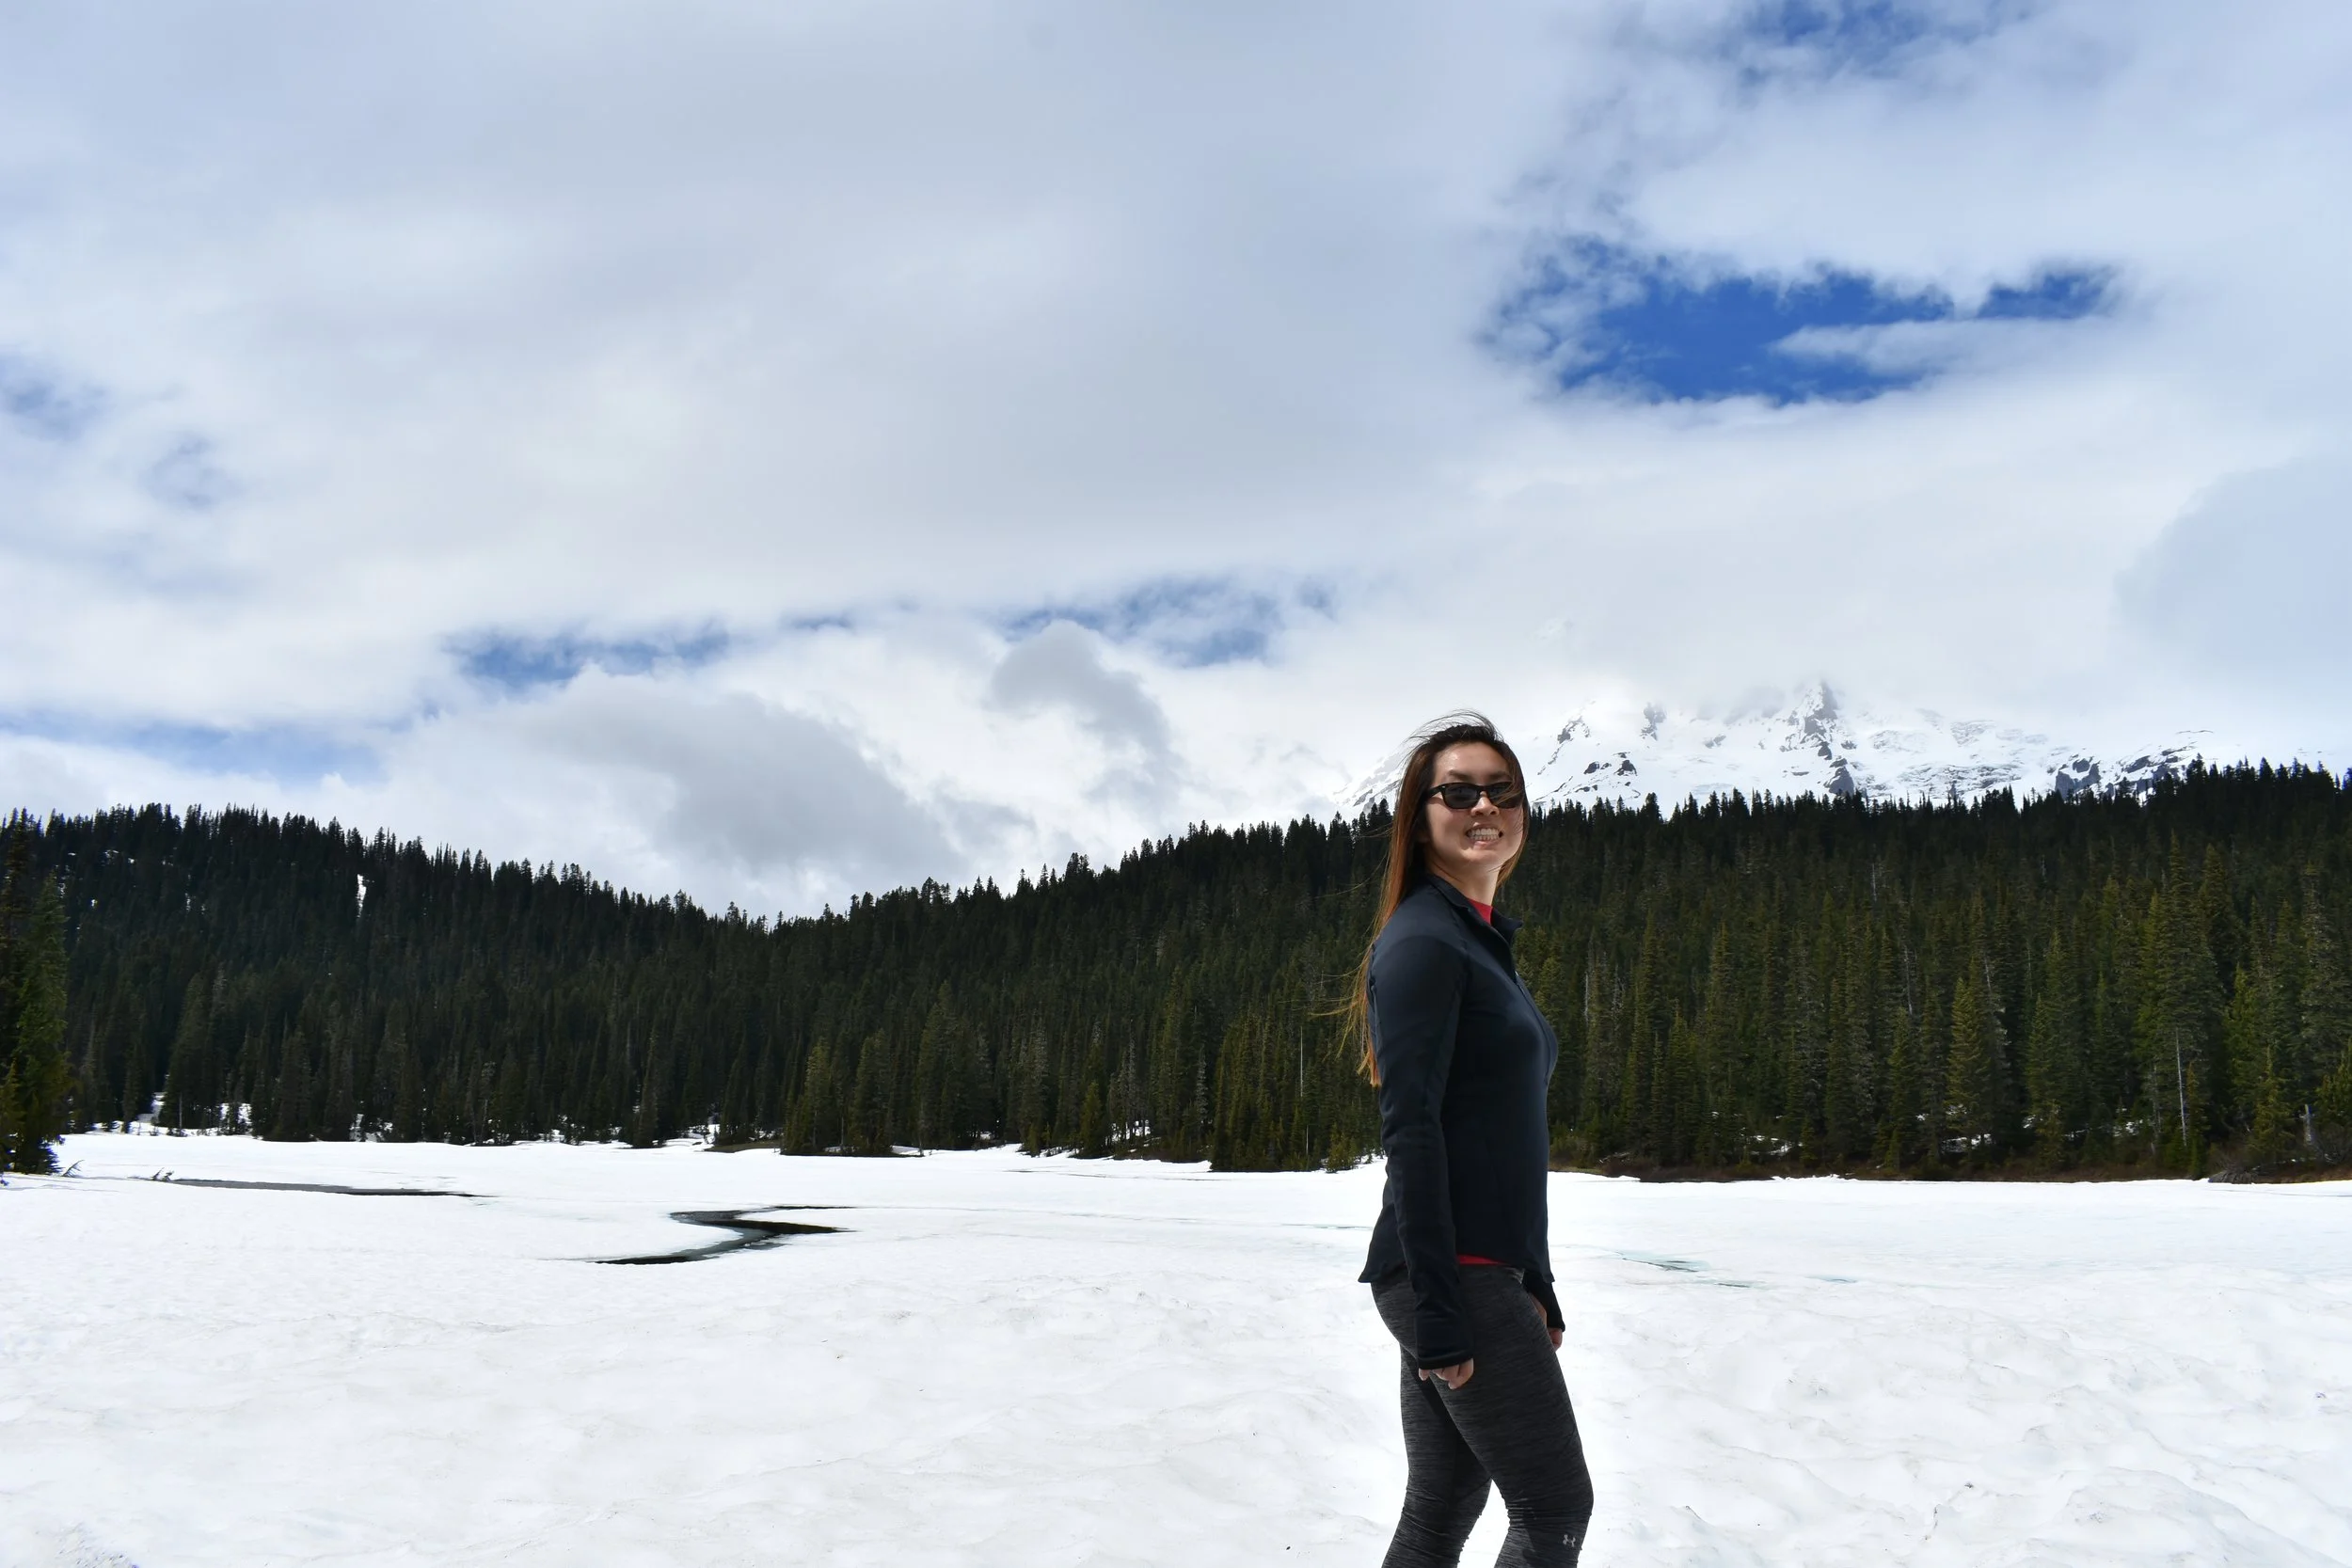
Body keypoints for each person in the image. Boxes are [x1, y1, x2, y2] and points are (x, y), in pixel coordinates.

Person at [1354, 714, 1594, 1567]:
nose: (1484, 805)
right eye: (1458, 792)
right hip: (1452, 1270)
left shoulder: (1476, 937)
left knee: (1443, 1502)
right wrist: (1442, 1306)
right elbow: (1411, 1131)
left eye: (1502, 791)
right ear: (1420, 818)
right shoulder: (1425, 939)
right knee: (1554, 1507)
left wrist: (1538, 1278)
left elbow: (1500, 1133)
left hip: (1474, 1268)